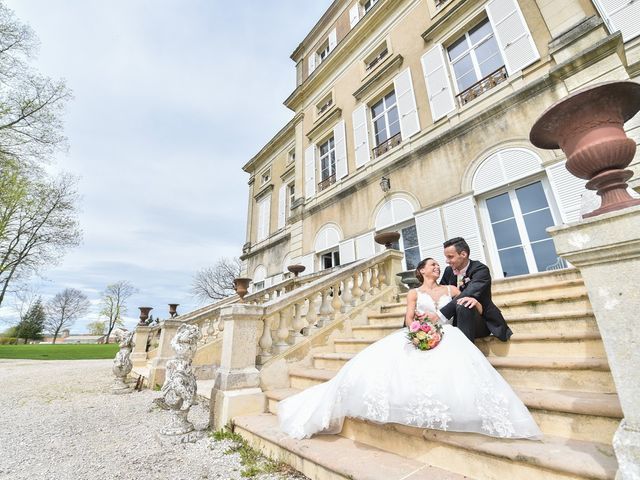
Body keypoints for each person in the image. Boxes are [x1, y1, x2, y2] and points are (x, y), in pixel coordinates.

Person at [278, 258, 541, 440]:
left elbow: (470, 305)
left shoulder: (453, 288)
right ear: (422, 271)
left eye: (439, 264)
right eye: (433, 265)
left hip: (450, 333)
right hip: (423, 332)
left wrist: (474, 307)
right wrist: (420, 328)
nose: (438, 267)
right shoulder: (414, 293)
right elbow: (409, 318)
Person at [439, 237, 512, 342]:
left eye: (450, 257)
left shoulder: (481, 270)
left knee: (464, 303)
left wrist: (439, 315)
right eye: (446, 257)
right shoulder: (449, 271)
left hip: (480, 321)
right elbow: (442, 291)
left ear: (463, 254)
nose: (447, 261)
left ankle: (468, 352)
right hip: (455, 321)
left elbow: (467, 293)